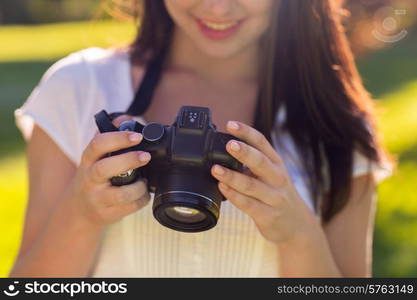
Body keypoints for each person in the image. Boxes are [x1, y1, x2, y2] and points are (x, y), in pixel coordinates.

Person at [11, 0, 393, 277]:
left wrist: (297, 233)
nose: (218, 8)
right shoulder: (79, 88)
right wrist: (81, 215)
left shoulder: (335, 123)